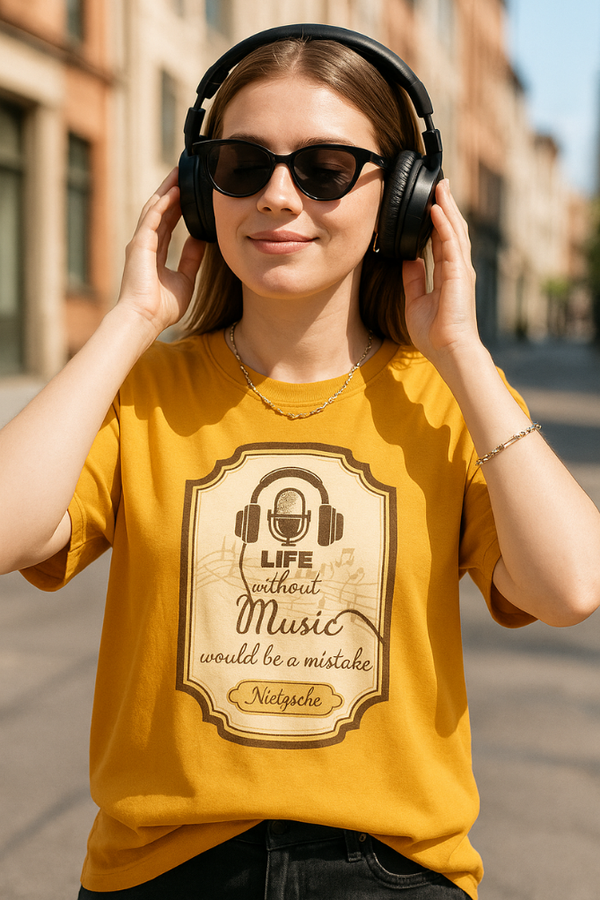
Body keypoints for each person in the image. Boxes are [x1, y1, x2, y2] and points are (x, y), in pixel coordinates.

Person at [1, 23, 599, 900]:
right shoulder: (141, 391)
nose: (278, 197)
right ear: (202, 191)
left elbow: (571, 586)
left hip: (392, 873)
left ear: (403, 198)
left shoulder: (446, 398)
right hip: (161, 872)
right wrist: (133, 318)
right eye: (243, 166)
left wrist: (462, 352)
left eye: (325, 169)